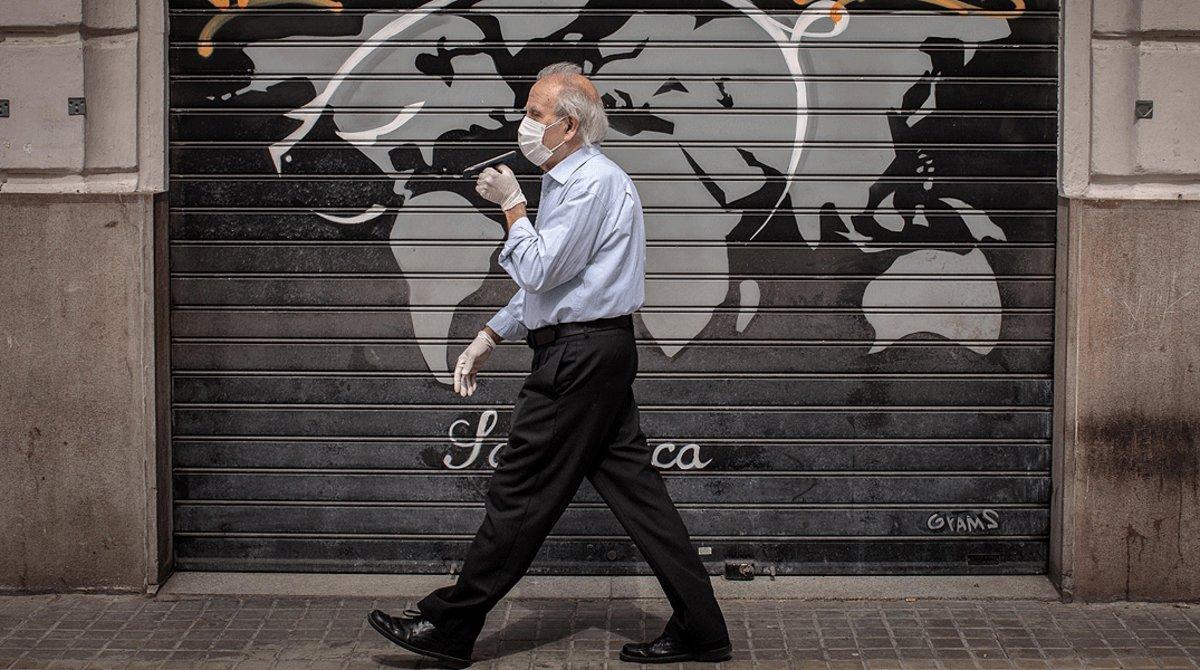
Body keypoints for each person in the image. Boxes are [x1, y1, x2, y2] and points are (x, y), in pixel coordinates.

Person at [367, 61, 731, 667]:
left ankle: (451, 628)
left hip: (578, 358)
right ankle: (703, 630)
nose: (523, 123)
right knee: (641, 499)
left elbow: (538, 269)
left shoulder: (589, 183)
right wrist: (490, 332)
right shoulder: (571, 182)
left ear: (567, 125)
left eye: (534, 114)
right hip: (595, 350)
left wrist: (511, 206)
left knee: (520, 492)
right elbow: (552, 287)